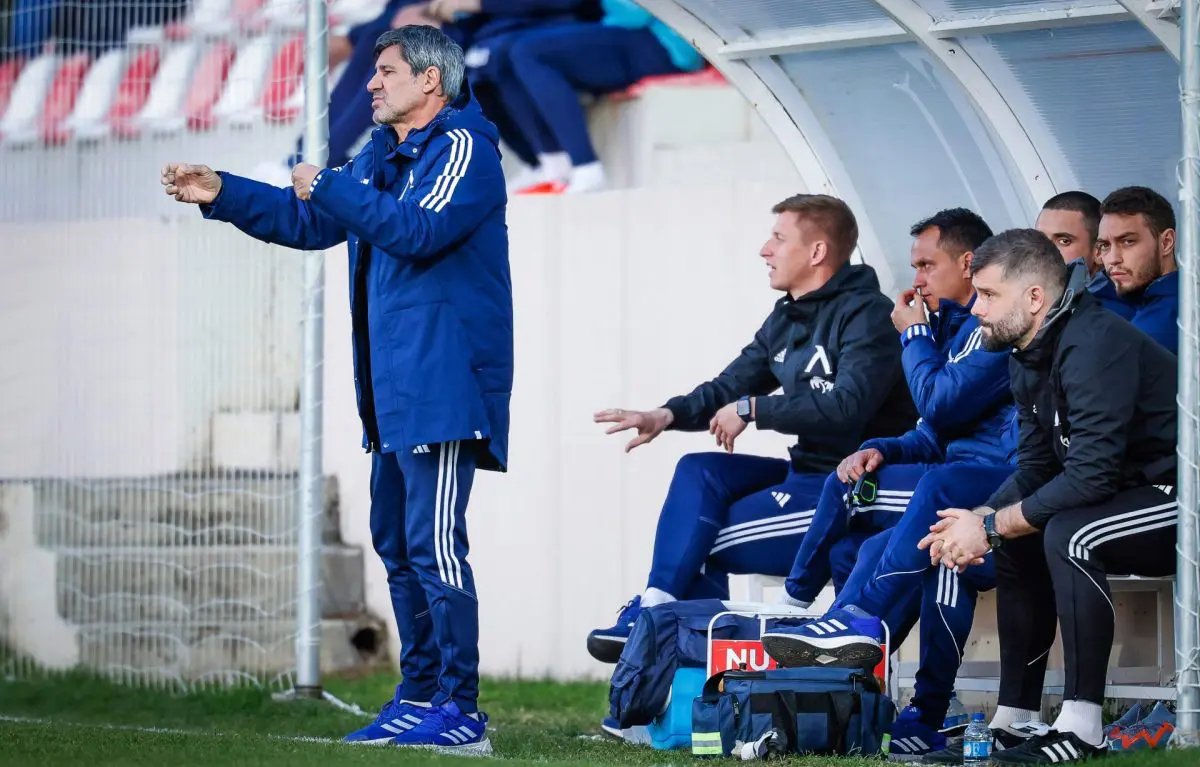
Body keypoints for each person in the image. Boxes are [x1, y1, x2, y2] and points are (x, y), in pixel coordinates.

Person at [161, 26, 511, 755]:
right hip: (393, 392)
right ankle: (419, 696)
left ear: (430, 81)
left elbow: (417, 230)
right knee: (397, 544)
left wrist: (328, 184)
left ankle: (463, 710)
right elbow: (312, 220)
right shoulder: (381, 154)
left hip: (444, 387)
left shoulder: (465, 147)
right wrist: (225, 192)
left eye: (386, 72)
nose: (371, 84)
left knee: (435, 546)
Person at [584, 193, 917, 663]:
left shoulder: (869, 316)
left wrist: (755, 408)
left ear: (817, 252)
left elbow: (847, 407)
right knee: (699, 469)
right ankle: (658, 615)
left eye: (778, 238)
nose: (765, 249)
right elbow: (730, 386)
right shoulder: (786, 317)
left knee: (695, 546)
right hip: (800, 476)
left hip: (843, 493)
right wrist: (666, 415)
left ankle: (668, 642)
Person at [757, 209, 1014, 760]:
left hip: (999, 489)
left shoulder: (993, 329)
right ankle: (850, 688)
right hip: (958, 487)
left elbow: (940, 404)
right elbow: (931, 430)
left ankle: (831, 618)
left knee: (897, 502)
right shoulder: (953, 329)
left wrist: (914, 334)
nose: (916, 278)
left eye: (926, 265)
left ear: (968, 264)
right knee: (872, 541)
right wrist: (884, 447)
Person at [920, 228, 1178, 764]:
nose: (975, 309)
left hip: (1181, 497)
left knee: (1066, 532)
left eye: (988, 295)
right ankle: (1016, 718)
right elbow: (1038, 468)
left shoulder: (1095, 343)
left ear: (1035, 297)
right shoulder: (1026, 354)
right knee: (1021, 533)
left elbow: (1091, 477)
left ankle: (1083, 727)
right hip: (1127, 495)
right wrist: (981, 518)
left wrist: (989, 527)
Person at [1096, 185, 1180, 353]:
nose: (1113, 259)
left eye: (1128, 242)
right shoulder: (1141, 303)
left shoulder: (1166, 322)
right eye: (1105, 245)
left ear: (1166, 242)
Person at [1034, 190, 1133, 320]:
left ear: (1099, 251)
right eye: (1039, 239)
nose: (1044, 251)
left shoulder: (1108, 317)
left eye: (1064, 241)